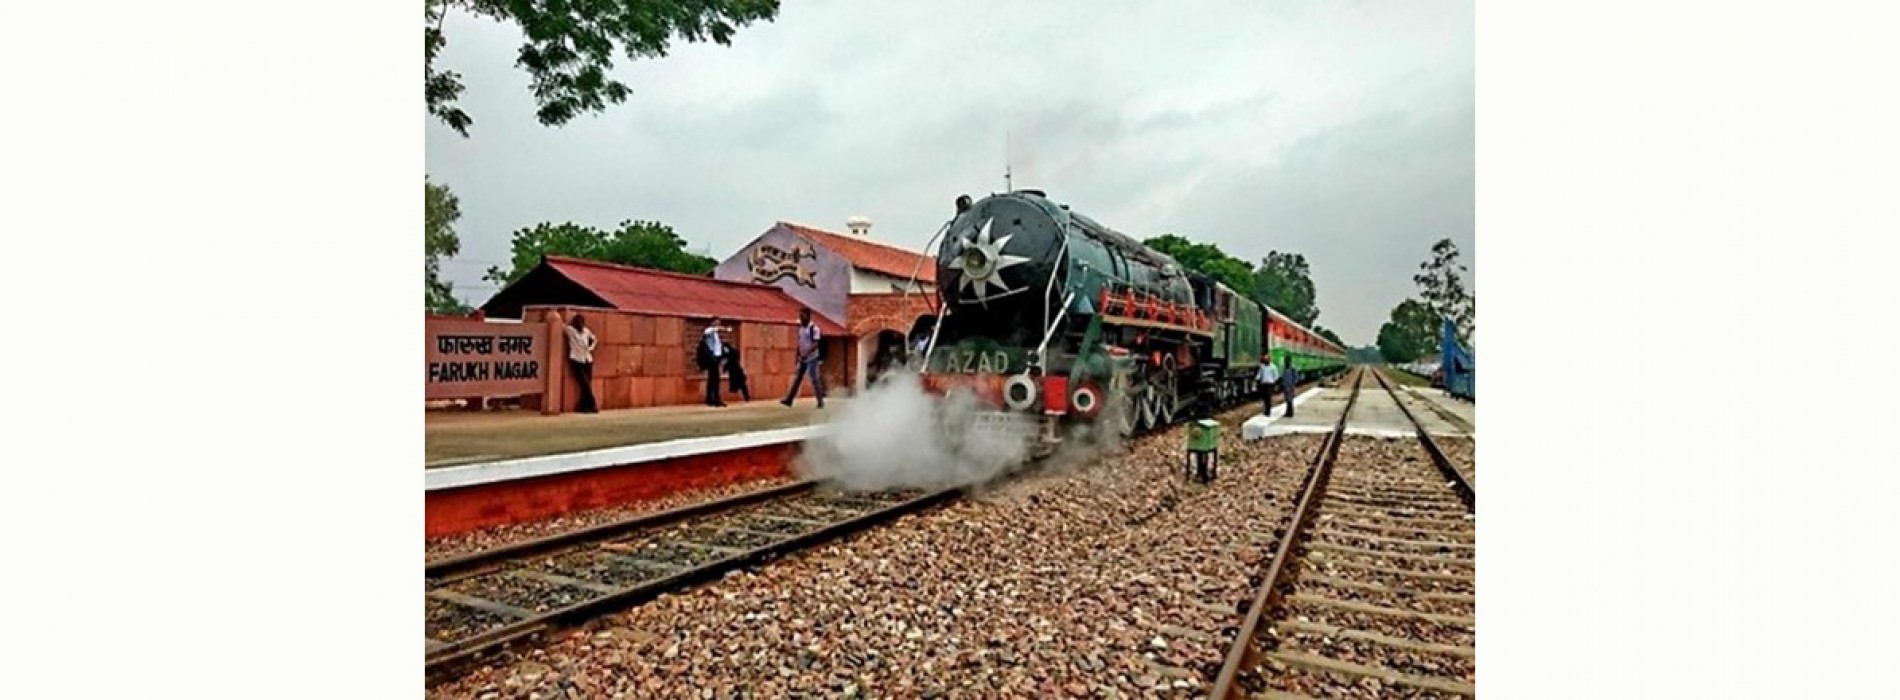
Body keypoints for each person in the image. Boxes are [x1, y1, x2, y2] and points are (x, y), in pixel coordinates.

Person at [781, 309, 825, 408]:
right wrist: (798, 355)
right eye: (800, 316)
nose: (801, 318)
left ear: (808, 316)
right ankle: (789, 400)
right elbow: (800, 343)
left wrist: (806, 352)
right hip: (803, 357)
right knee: (797, 379)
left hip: (812, 357)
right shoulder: (801, 328)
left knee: (814, 379)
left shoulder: (814, 328)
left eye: (803, 316)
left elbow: (815, 344)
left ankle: (820, 401)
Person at [564, 314, 599, 414]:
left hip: (587, 359)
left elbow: (595, 339)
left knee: (587, 384)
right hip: (576, 359)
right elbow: (561, 326)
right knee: (585, 384)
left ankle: (582, 406)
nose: (580, 324)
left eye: (581, 322)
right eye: (578, 322)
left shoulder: (586, 331)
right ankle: (592, 404)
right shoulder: (570, 330)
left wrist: (590, 348)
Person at [696, 318, 727, 407]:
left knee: (714, 380)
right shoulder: (709, 331)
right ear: (712, 322)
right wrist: (718, 328)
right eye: (716, 322)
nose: (718, 324)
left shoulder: (716, 334)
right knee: (713, 379)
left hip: (717, 358)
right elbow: (707, 332)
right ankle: (714, 400)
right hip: (711, 358)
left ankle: (712, 399)